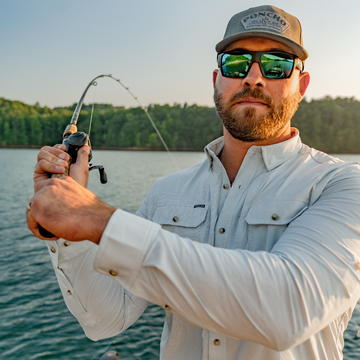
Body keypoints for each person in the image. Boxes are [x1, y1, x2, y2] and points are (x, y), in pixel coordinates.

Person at [27, 5, 360, 360]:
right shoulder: (166, 192)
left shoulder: (341, 185)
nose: (254, 78)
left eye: (277, 64)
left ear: (302, 85)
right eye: (237, 63)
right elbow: (106, 320)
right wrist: (69, 218)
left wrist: (97, 220)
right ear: (217, 79)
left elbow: (289, 310)